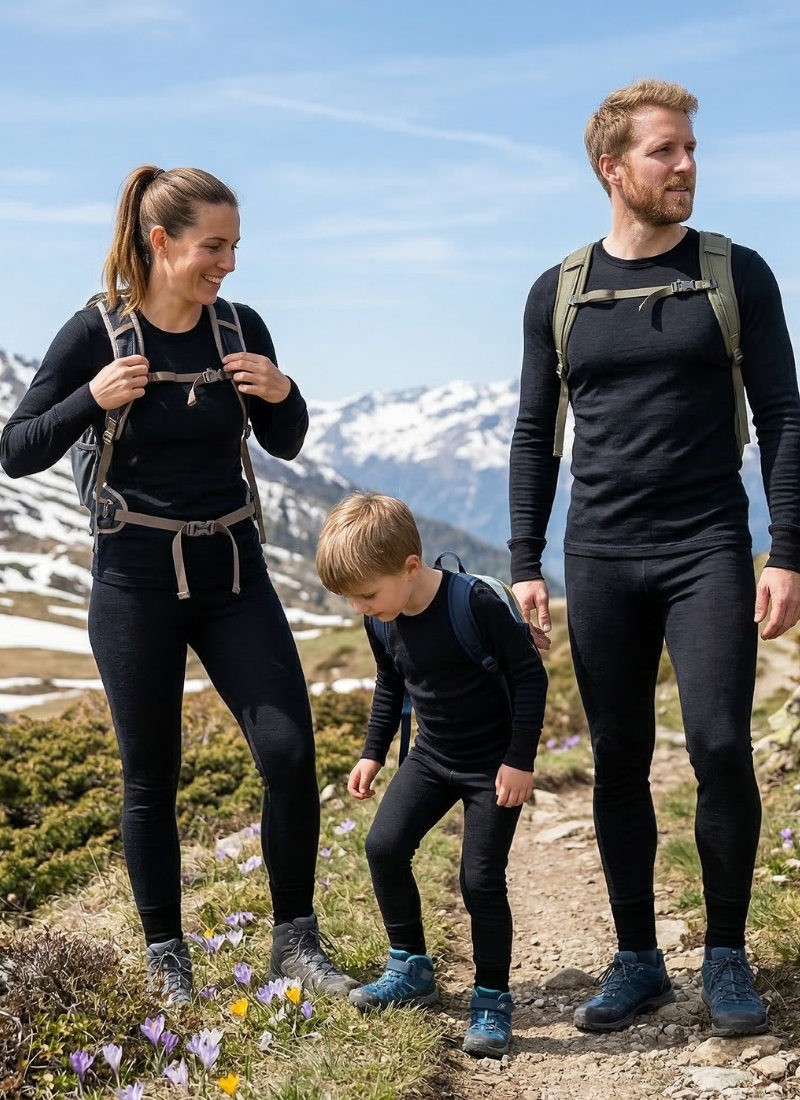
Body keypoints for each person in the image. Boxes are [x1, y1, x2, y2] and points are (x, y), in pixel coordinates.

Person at [0, 165, 357, 1005]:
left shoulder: (240, 325)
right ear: (160, 243)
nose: (227, 264)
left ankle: (295, 945)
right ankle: (169, 960)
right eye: (213, 247)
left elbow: (289, 441)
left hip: (234, 574)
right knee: (150, 776)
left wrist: (283, 393)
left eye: (234, 247)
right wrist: (89, 398)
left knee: (290, 754)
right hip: (134, 584)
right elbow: (16, 450)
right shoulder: (95, 333)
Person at [509, 79, 800, 1037]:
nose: (686, 167)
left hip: (708, 543)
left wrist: (787, 548)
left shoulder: (735, 272)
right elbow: (530, 436)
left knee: (719, 745)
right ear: (612, 168)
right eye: (663, 152)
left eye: (688, 150)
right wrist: (525, 559)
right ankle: (636, 959)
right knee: (620, 756)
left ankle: (725, 956)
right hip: (599, 551)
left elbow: (785, 416)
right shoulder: (557, 292)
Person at [315, 492, 547, 1057]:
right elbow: (390, 684)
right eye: (351, 600)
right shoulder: (382, 620)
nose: (359, 609)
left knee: (480, 881)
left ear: (410, 567)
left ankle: (491, 997)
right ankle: (410, 966)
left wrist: (520, 760)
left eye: (366, 595)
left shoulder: (475, 605)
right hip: (431, 757)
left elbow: (531, 680)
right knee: (384, 846)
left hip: (493, 768)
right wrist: (372, 752)